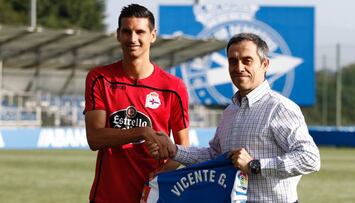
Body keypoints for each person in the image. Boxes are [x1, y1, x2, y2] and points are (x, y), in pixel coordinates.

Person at [148, 33, 321, 202]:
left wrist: (255, 165)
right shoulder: (230, 111)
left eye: (247, 60)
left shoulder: (280, 108)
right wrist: (175, 150)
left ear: (265, 64)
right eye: (233, 61)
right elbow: (214, 156)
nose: (239, 68)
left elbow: (310, 158)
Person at [84, 4, 189, 203]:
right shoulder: (100, 78)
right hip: (107, 197)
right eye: (127, 32)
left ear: (153, 35)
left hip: (153, 197)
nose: (133, 39)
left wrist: (160, 174)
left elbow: (183, 147)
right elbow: (94, 138)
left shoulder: (174, 87)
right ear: (118, 35)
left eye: (140, 32)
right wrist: (142, 132)